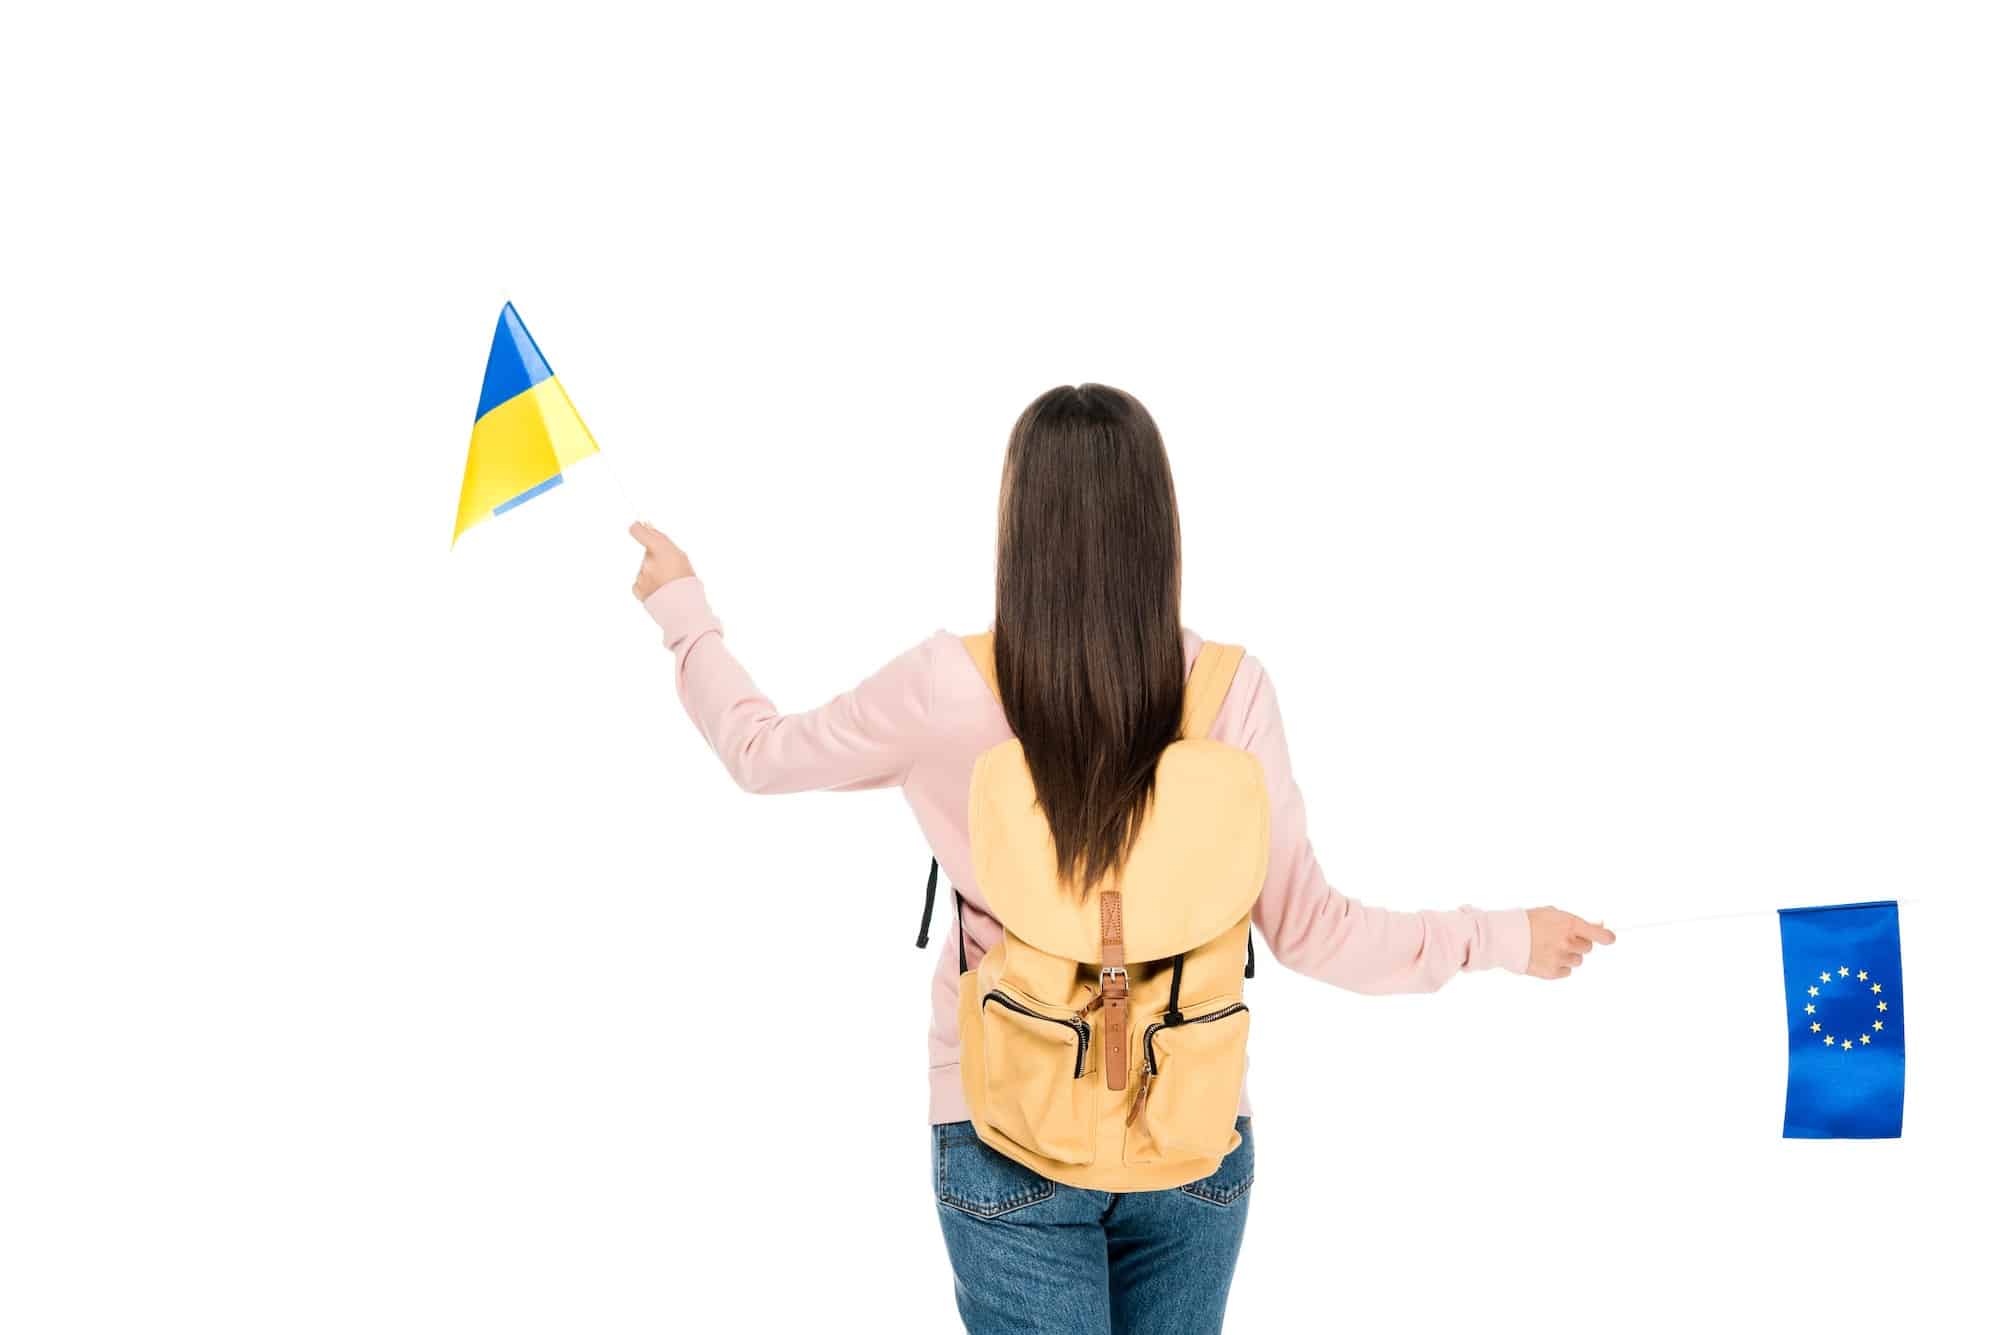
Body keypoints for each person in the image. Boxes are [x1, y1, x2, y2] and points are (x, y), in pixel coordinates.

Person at [628, 384, 1614, 1335]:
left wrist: (682, 607)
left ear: (1016, 521)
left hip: (999, 1131)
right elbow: (1314, 933)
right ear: (1159, 525)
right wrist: (1505, 938)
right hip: (1191, 1133)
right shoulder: (1228, 692)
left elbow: (759, 755)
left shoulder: (944, 688)